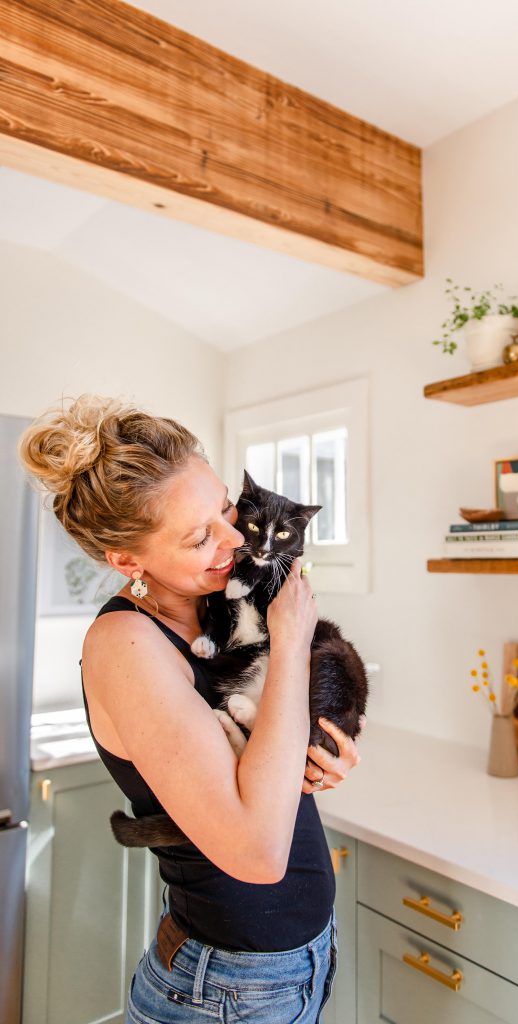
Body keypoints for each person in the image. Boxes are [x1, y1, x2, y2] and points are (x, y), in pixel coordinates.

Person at [19, 394, 362, 1024]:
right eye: (201, 535)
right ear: (127, 560)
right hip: (226, 990)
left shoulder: (216, 605)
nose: (233, 538)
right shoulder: (127, 645)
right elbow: (256, 853)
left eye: (226, 509)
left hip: (295, 963)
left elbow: (261, 759)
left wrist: (316, 759)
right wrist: (289, 642)